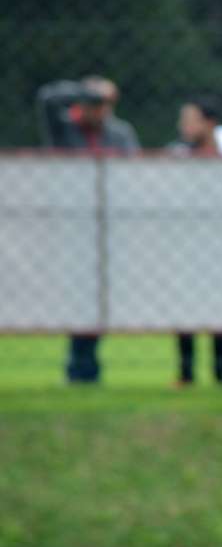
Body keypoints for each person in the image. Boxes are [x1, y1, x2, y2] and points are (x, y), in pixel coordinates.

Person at [37, 76, 139, 384]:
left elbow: (135, 173)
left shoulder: (120, 134)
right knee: (79, 296)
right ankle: (80, 365)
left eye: (105, 104)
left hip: (109, 224)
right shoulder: (65, 129)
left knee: (99, 298)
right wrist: (84, 89)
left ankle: (85, 363)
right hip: (73, 225)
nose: (101, 110)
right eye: (94, 103)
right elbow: (46, 98)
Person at [169, 96, 222, 387]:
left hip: (221, 242)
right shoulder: (178, 155)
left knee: (221, 305)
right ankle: (186, 374)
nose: (184, 126)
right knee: (185, 304)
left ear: (210, 123)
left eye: (191, 120)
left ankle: (221, 373)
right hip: (187, 242)